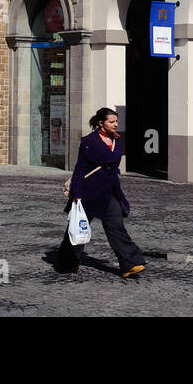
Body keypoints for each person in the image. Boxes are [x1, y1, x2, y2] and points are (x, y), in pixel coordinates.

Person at [54, 108, 147, 278]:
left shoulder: (116, 140)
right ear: (101, 123)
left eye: (116, 121)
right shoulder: (90, 141)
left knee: (115, 225)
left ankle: (130, 263)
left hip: (109, 190)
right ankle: (67, 262)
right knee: (77, 227)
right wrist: (77, 193)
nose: (115, 124)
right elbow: (81, 167)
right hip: (88, 192)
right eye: (111, 122)